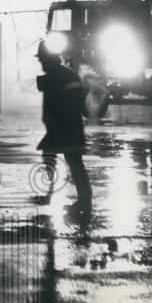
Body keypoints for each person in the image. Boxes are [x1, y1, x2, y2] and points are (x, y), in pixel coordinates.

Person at [33, 39, 92, 218]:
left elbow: (76, 99)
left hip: (66, 126)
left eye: (42, 59)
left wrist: (84, 111)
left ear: (49, 59)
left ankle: (82, 201)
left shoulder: (62, 75)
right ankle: (78, 200)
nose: (41, 63)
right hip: (62, 126)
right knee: (66, 159)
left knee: (72, 162)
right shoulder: (60, 74)